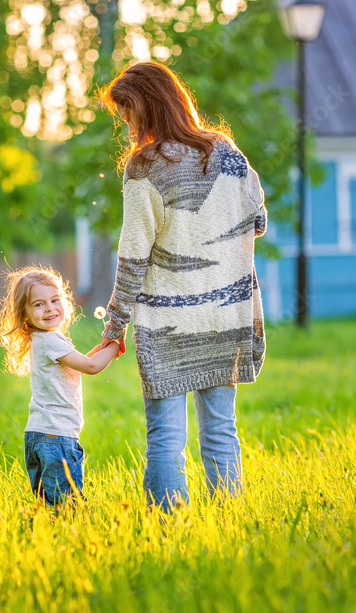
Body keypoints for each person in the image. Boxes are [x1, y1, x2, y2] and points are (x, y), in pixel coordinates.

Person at [98, 61, 268, 511]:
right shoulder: (227, 152)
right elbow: (258, 220)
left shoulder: (144, 168)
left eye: (128, 113)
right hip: (226, 314)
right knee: (220, 430)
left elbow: (134, 256)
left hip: (170, 323)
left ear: (147, 107)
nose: (128, 126)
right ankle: (227, 519)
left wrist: (115, 325)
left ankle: (167, 528)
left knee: (166, 437)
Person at [0, 266, 122, 506]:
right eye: (39, 304)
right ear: (25, 313)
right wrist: (117, 343)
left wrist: (104, 347)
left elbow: (79, 363)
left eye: (54, 300)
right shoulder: (50, 340)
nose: (50, 308)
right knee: (67, 508)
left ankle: (44, 540)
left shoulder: (41, 339)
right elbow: (91, 367)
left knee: (47, 507)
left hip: (38, 435)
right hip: (58, 438)